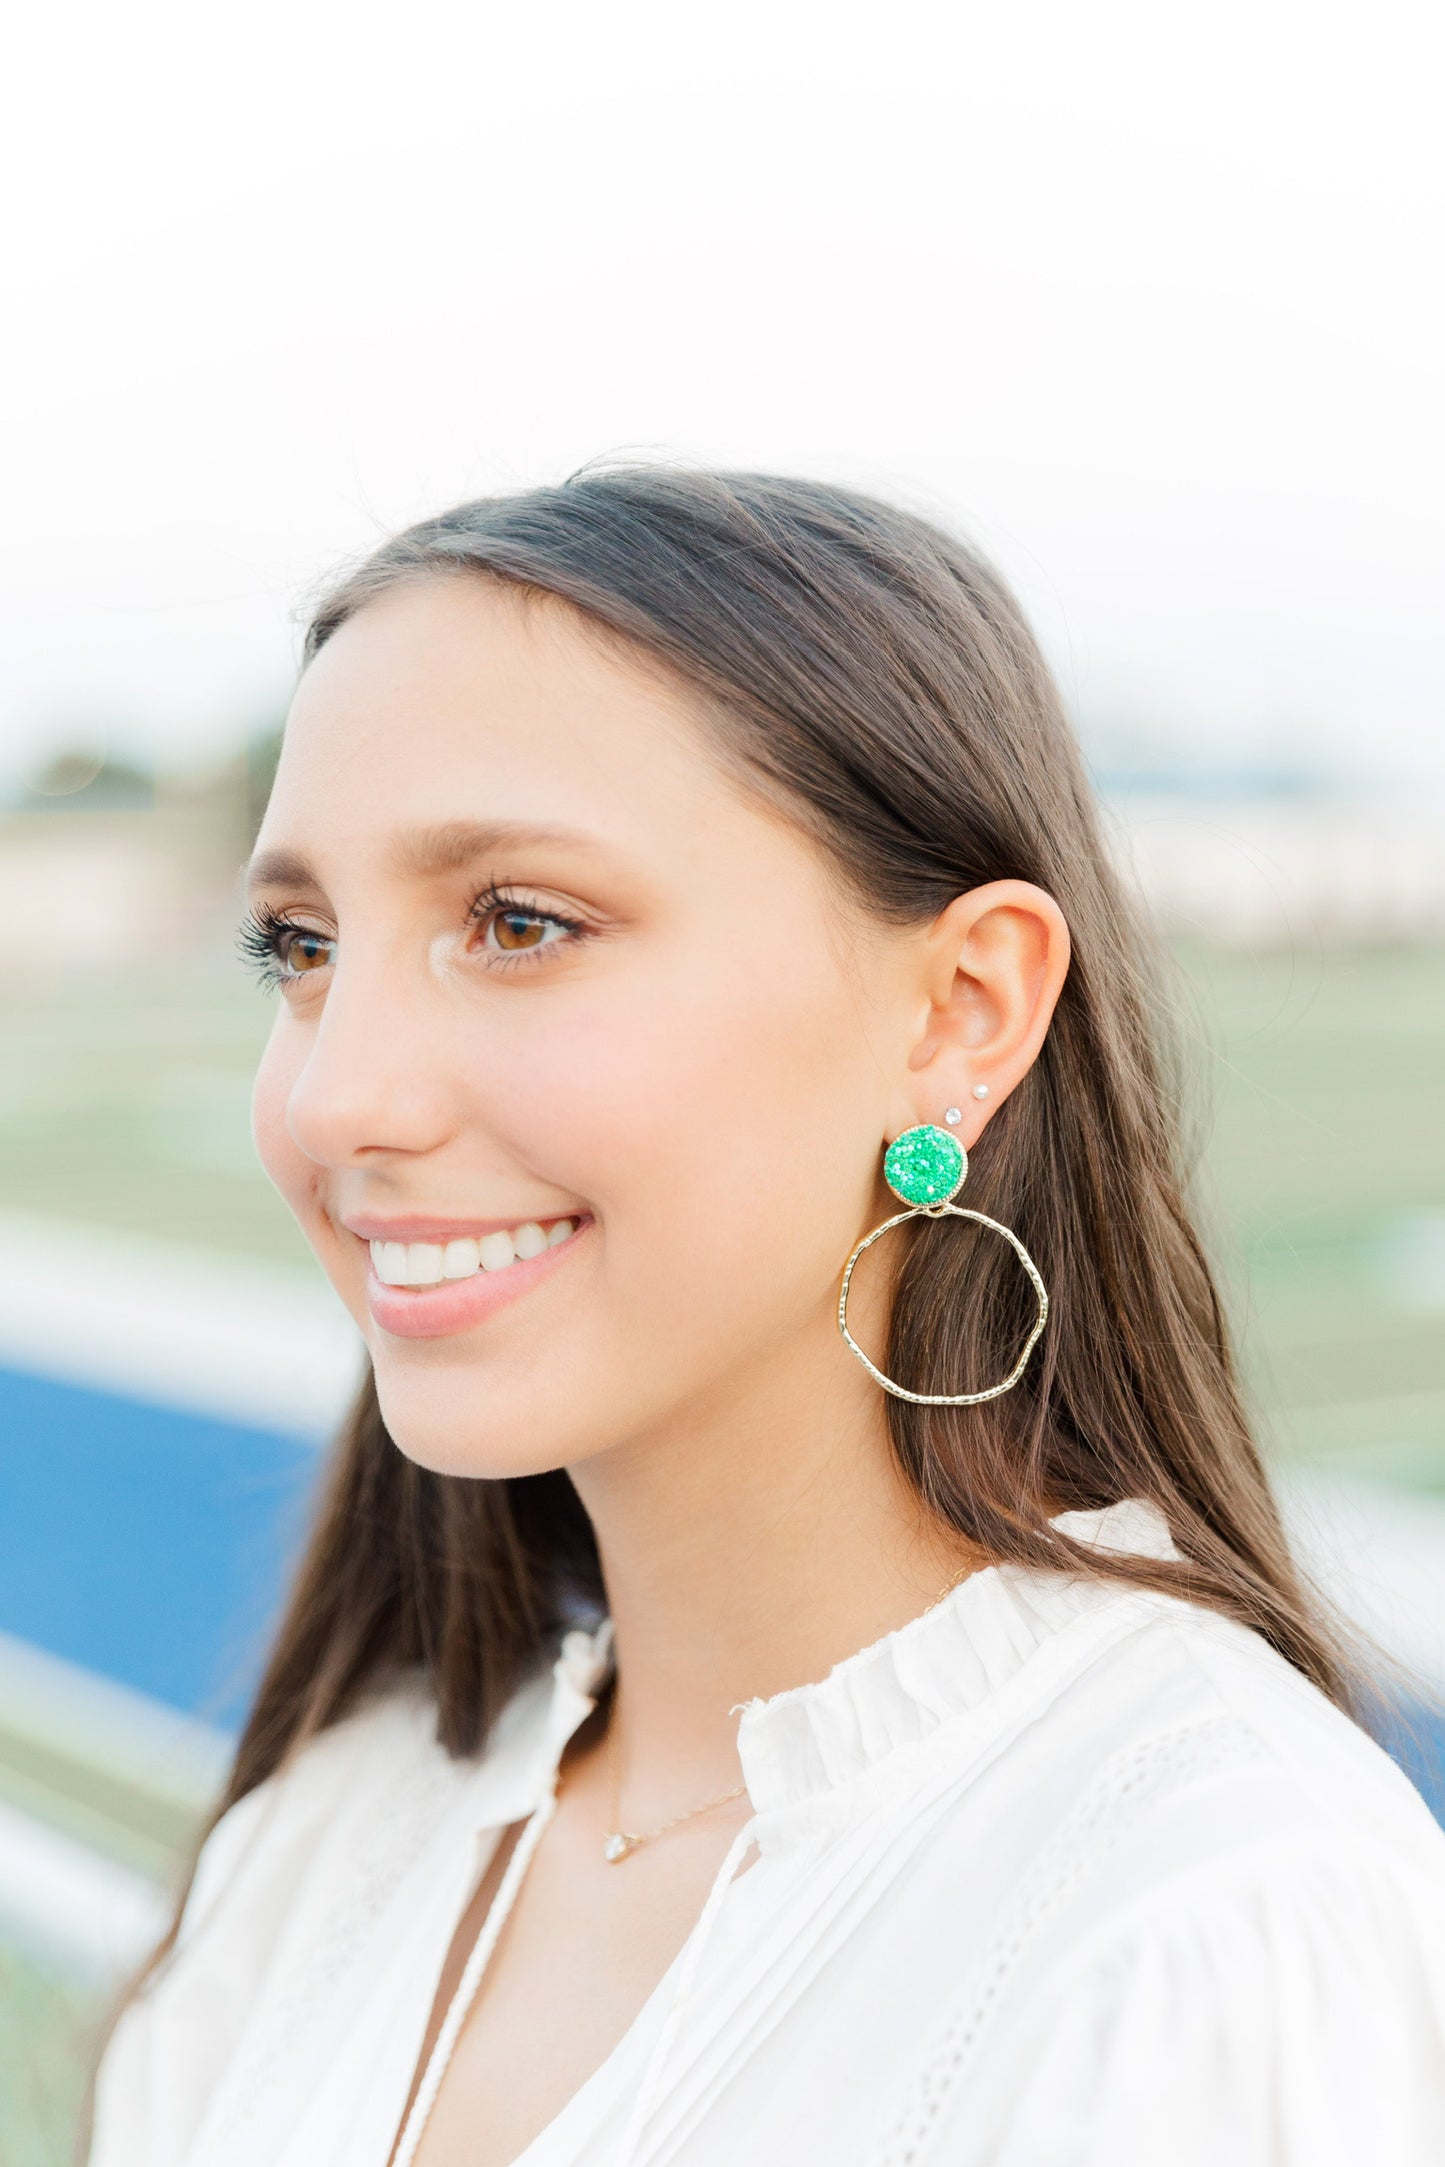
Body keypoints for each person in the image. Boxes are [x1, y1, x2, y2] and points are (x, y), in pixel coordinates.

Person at [85, 468, 1445, 2166]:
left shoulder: (1203, 1922)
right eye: (299, 945)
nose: (334, 1096)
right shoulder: (331, 1839)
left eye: (520, 923)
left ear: (959, 1010)